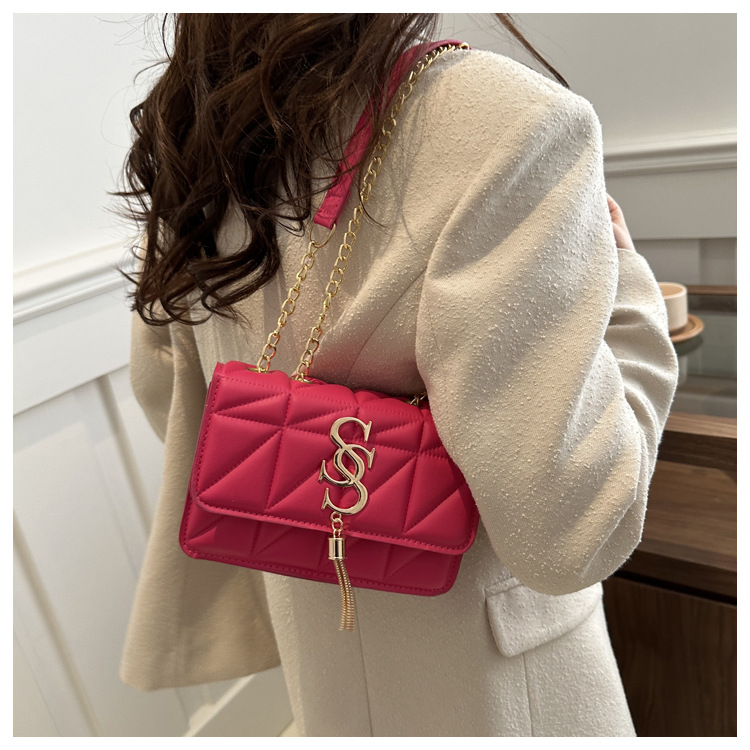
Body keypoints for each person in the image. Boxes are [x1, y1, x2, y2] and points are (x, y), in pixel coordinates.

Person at [118, 14, 679, 737]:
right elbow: (573, 533)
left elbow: (164, 392)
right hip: (503, 693)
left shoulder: (193, 127)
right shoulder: (505, 118)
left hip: (318, 647)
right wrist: (628, 290)